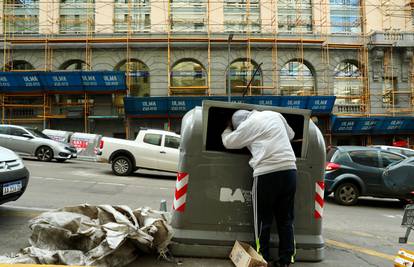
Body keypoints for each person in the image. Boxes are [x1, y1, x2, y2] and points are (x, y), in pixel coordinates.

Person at [221, 109, 297, 267]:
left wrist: (228, 128)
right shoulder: (275, 114)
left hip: (267, 173)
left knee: (263, 221)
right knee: (286, 219)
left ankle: (263, 259)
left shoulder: (247, 125)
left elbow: (228, 142)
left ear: (239, 124)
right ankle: (286, 260)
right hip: (290, 170)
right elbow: (291, 135)